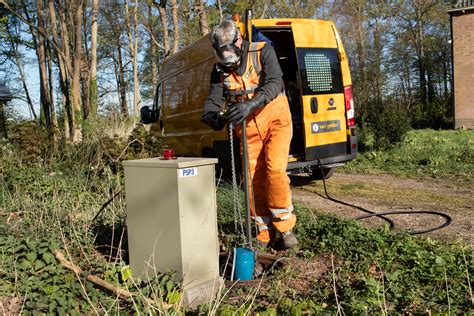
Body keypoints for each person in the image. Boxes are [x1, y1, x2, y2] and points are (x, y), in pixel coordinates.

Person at [201, 20, 297, 250]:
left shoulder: (263, 51)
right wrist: (212, 116)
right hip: (246, 127)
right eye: (221, 53)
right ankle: (262, 230)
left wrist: (251, 104)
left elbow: (275, 82)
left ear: (239, 42)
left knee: (274, 169)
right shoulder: (218, 71)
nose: (226, 58)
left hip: (275, 118)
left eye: (229, 51)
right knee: (253, 177)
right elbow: (213, 100)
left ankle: (284, 227)